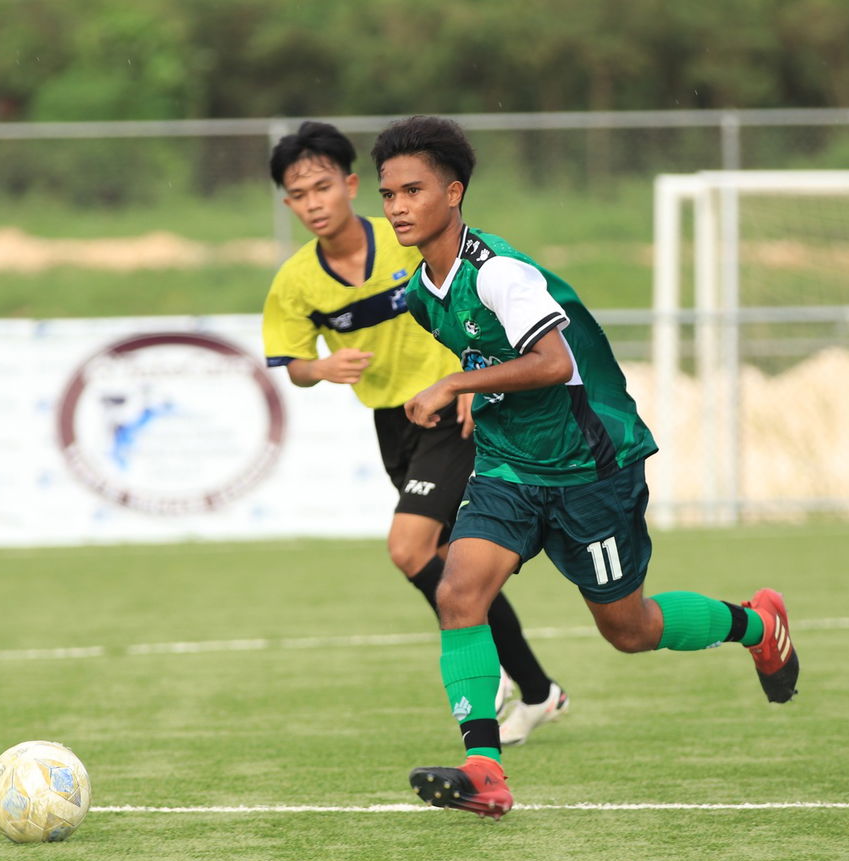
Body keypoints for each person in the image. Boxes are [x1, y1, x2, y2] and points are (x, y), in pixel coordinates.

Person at [371, 115, 801, 819]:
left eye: (412, 190)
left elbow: (554, 362)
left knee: (628, 630)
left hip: (589, 469)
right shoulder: (424, 290)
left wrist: (458, 387)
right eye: (388, 195)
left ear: (454, 193)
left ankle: (755, 625)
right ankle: (485, 768)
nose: (397, 207)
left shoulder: (502, 273)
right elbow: (483, 350)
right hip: (510, 469)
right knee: (458, 594)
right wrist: (474, 384)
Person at [262, 120, 568, 744]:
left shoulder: (408, 234)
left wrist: (465, 382)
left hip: (450, 408)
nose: (313, 203)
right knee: (458, 572)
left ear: (350, 186)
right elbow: (291, 365)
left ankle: (495, 680)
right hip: (394, 421)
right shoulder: (296, 281)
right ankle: (536, 690)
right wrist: (319, 367)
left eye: (323, 186)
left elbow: (470, 304)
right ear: (289, 205)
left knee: (409, 549)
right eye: (299, 195)